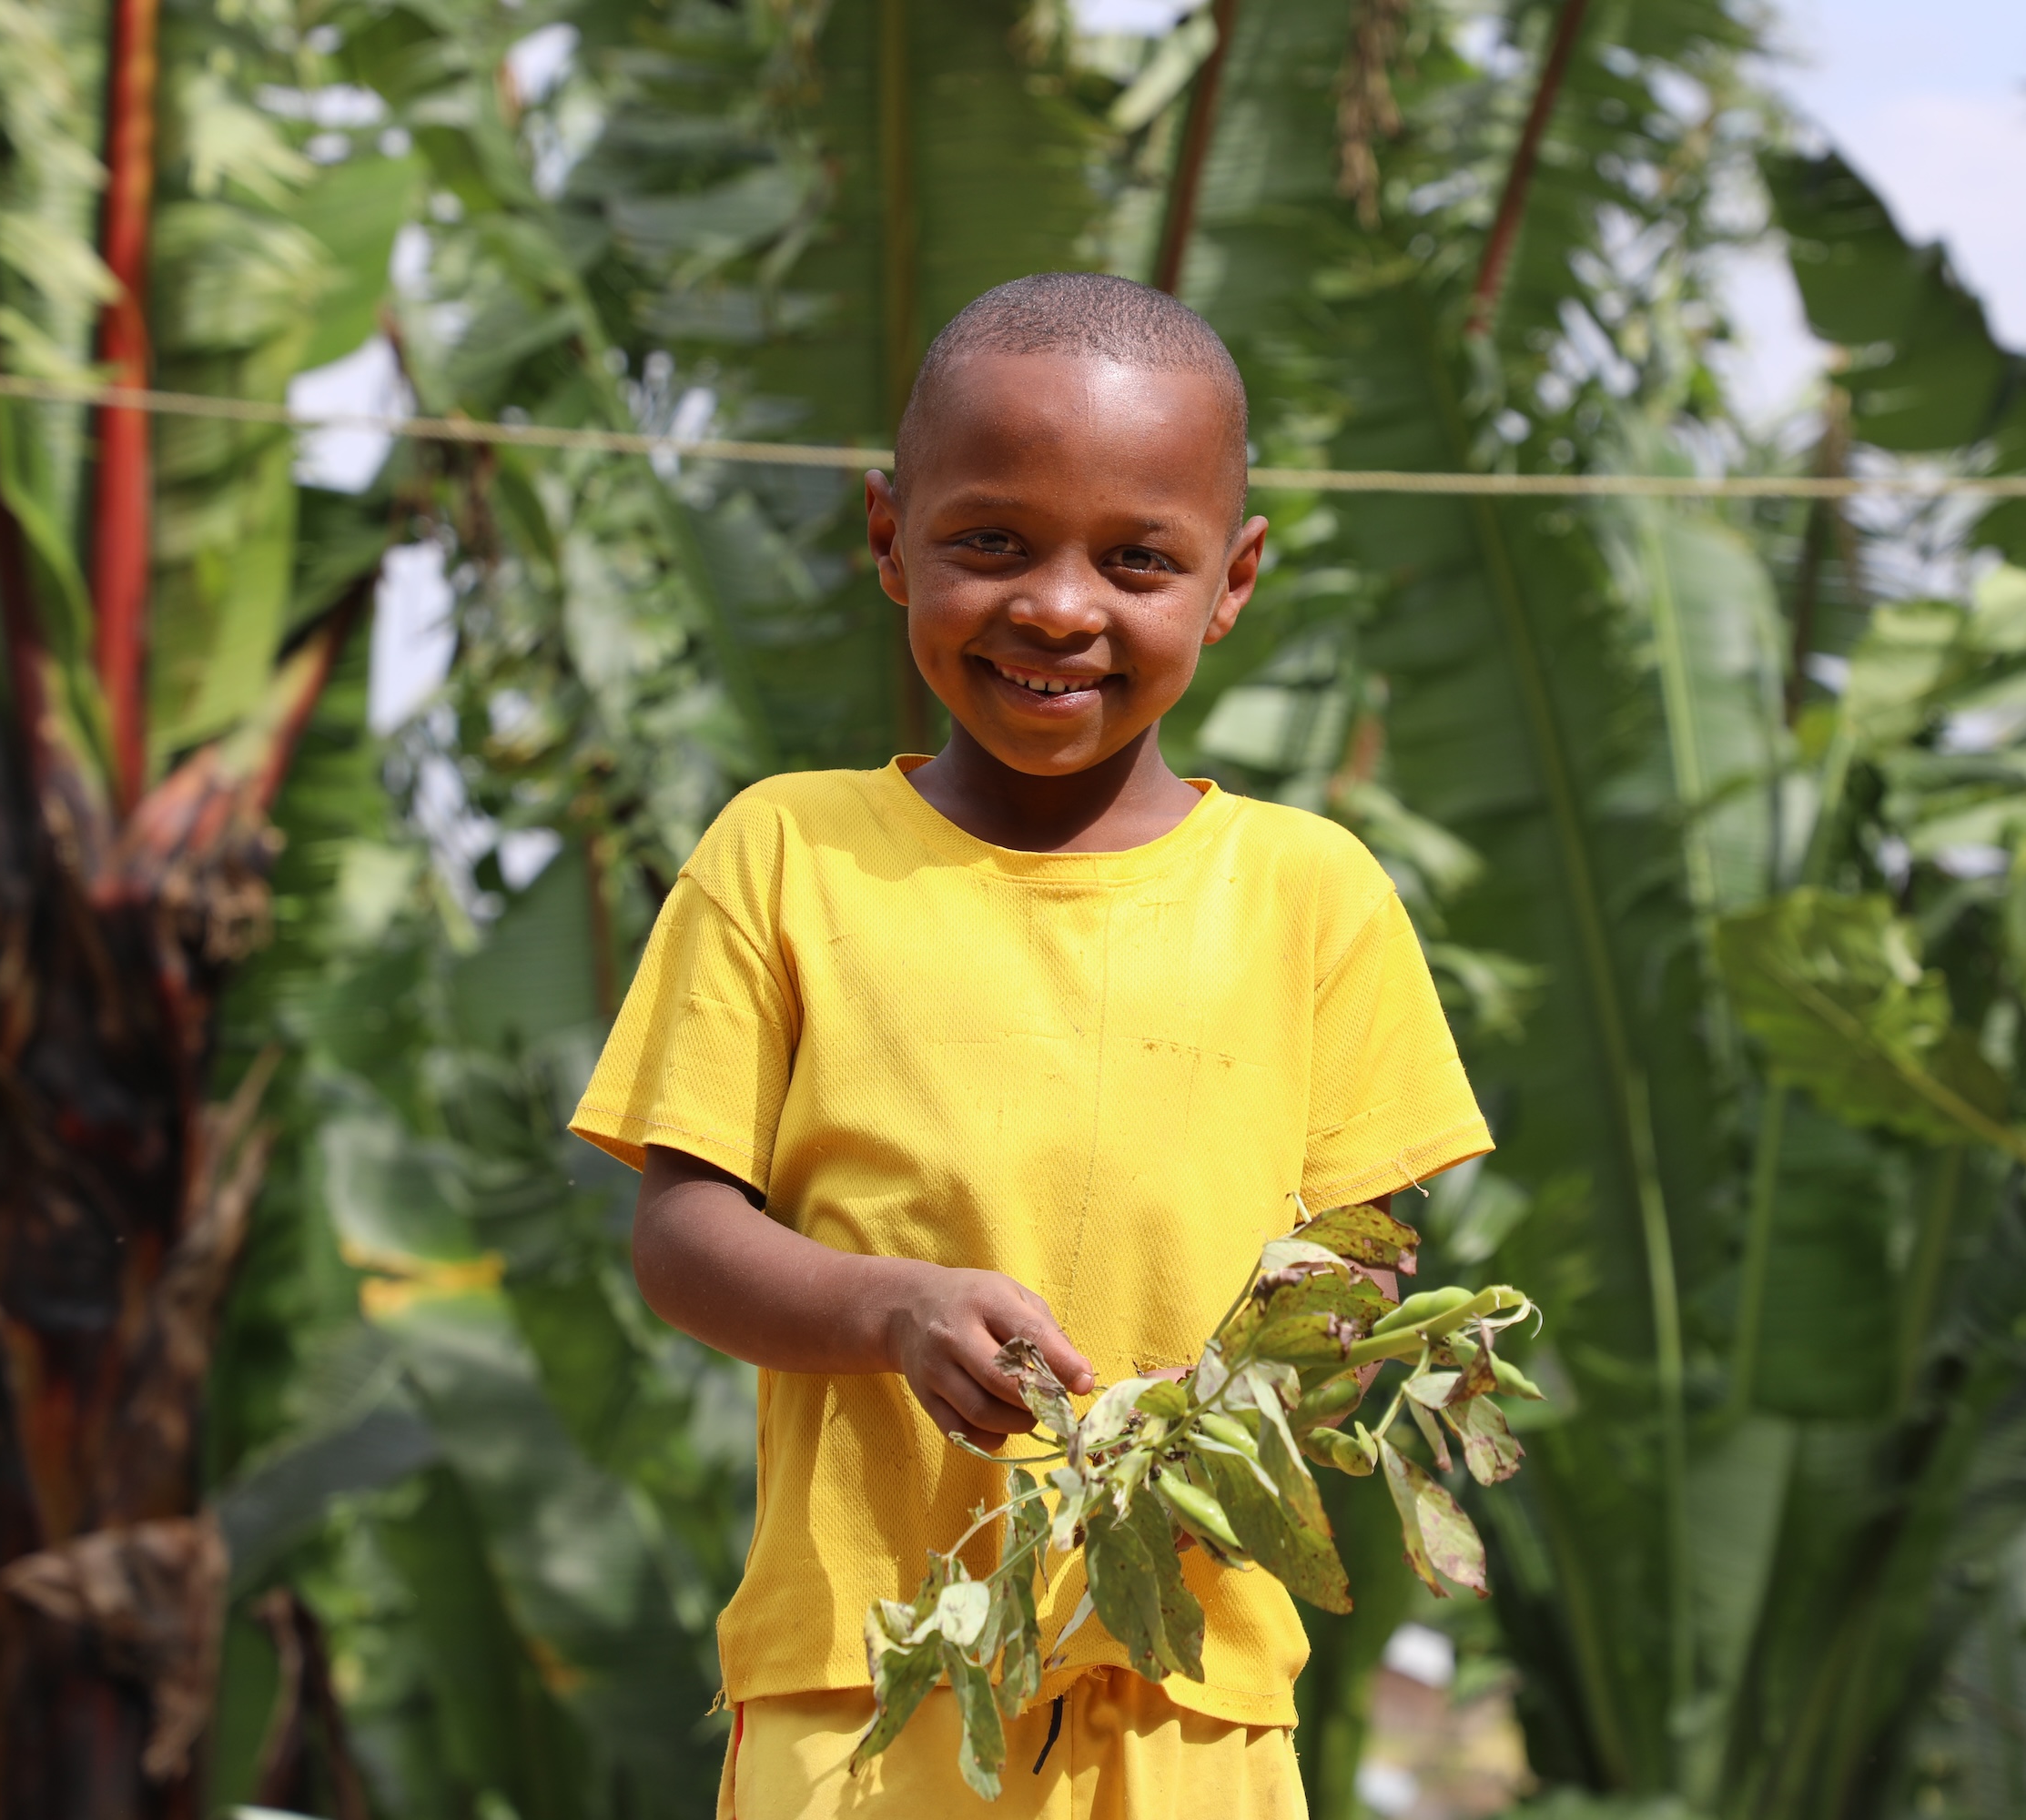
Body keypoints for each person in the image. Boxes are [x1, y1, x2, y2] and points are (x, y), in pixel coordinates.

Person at [570, 272, 1492, 1817]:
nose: (1060, 606)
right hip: (866, 1680)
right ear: (888, 540)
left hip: (1189, 1687)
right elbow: (679, 1237)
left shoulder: (1311, 894)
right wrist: (888, 1310)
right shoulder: (784, 854)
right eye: (991, 542)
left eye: (1139, 560)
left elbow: (1363, 1253)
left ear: (1234, 581)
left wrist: (1289, 1350)